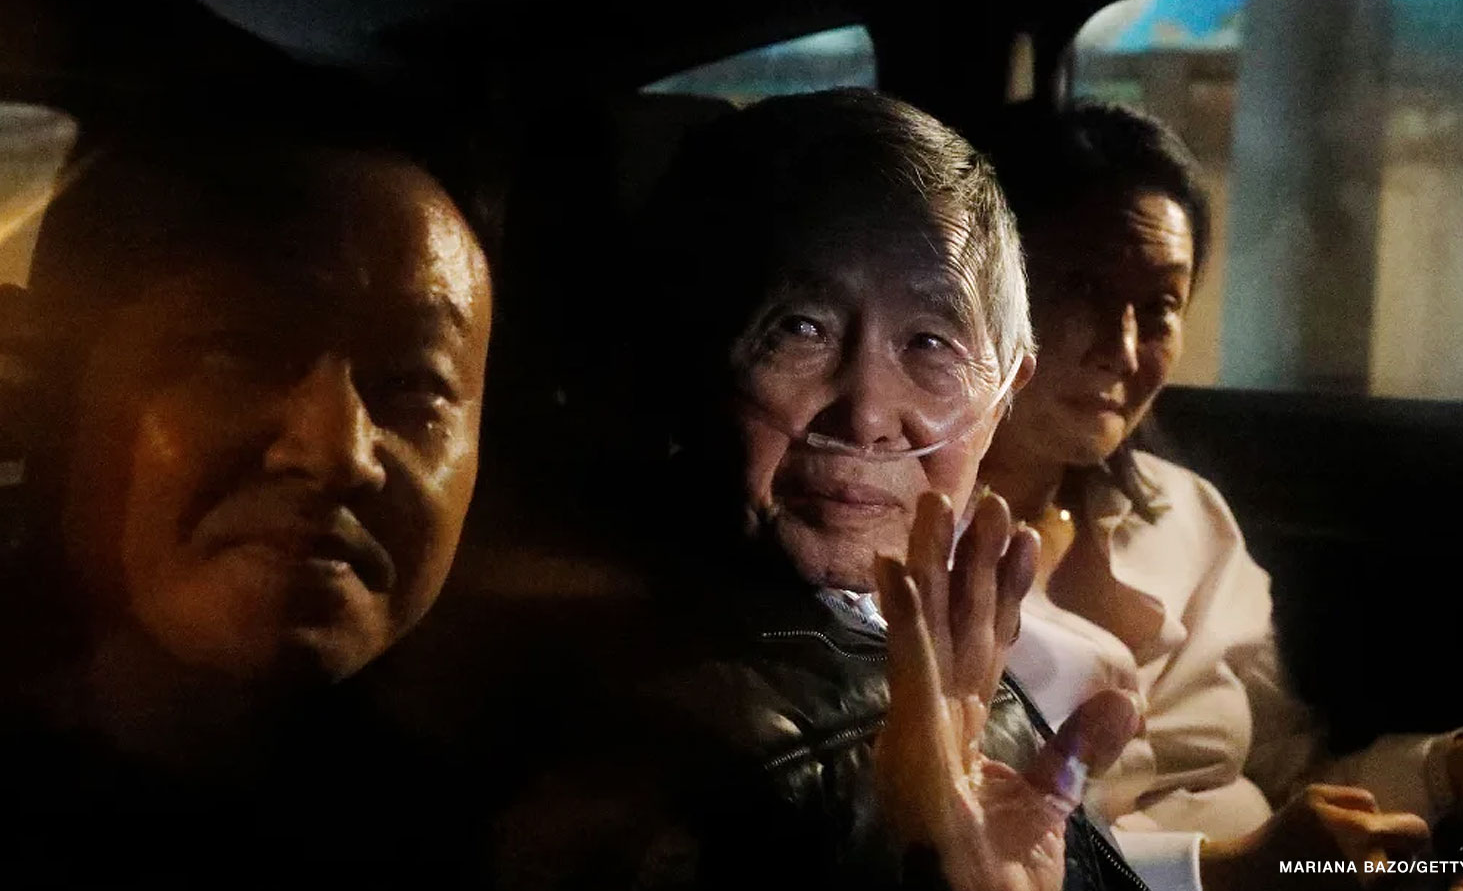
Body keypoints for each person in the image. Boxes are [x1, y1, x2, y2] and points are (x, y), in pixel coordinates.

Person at [533, 87, 1148, 891]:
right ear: (682, 357)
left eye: (929, 342)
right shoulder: (709, 736)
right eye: (799, 329)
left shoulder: (933, 668)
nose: (865, 415)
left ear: (1005, 394)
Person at [978, 102, 1463, 891]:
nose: (1122, 347)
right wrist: (1222, 871)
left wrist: (1456, 765)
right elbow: (948, 846)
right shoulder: (895, 555)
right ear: (979, 292)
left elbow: (1283, 772)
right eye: (1079, 288)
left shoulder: (1185, 515)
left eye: (1159, 306)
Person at [0, 125, 496, 885]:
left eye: (414, 386)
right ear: (50, 398)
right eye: (235, 354)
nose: (340, 455)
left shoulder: (496, 827)